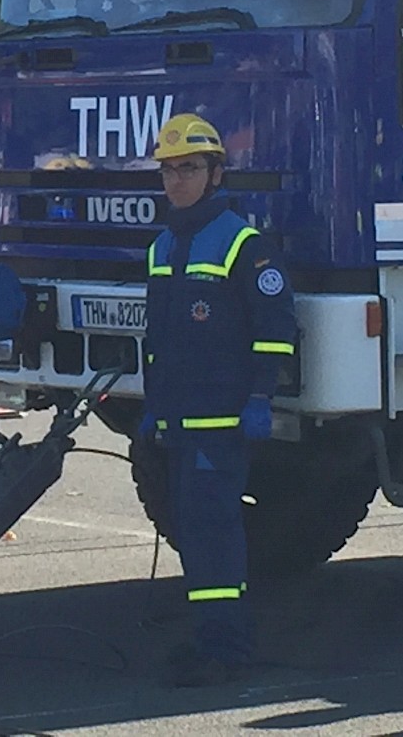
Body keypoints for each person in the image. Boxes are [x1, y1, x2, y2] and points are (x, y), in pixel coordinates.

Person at [141, 114, 296, 688]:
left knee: (213, 530)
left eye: (189, 168)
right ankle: (210, 636)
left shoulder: (243, 246)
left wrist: (260, 396)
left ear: (215, 173)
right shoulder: (162, 247)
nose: (177, 180)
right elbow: (159, 341)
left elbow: (275, 328)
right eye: (169, 170)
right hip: (179, 419)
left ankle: (227, 647)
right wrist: (152, 408)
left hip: (224, 419)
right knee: (191, 528)